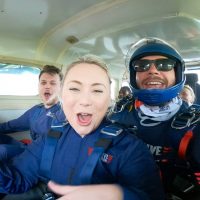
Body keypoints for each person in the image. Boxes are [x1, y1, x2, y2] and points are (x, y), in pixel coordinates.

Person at [0, 55, 164, 200]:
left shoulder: (130, 149)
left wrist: (119, 195)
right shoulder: (50, 137)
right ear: (63, 95)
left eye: (97, 90)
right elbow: (17, 178)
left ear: (108, 100)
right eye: (74, 88)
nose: (85, 100)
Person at [108, 38, 200, 200]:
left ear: (177, 73)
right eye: (142, 66)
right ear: (133, 75)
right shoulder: (115, 114)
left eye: (164, 64)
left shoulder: (196, 124)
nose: (152, 71)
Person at [0, 65, 65, 160]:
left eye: (53, 83)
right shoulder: (36, 110)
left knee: (2, 150)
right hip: (28, 147)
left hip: (40, 156)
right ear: (39, 86)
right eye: (43, 83)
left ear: (60, 88)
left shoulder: (63, 114)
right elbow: (12, 125)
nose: (47, 86)